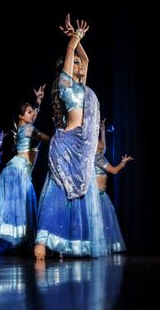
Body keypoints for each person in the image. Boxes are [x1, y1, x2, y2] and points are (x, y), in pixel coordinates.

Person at [34, 14, 107, 260]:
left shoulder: (83, 88)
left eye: (80, 64)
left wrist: (79, 40)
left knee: (79, 194)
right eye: (75, 63)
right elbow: (70, 50)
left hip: (81, 147)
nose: (81, 65)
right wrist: (73, 37)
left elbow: (86, 58)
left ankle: (71, 243)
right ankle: (42, 242)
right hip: (65, 145)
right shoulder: (65, 86)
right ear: (67, 69)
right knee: (58, 191)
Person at [0, 85, 50, 257]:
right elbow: (47, 140)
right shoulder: (29, 129)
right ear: (21, 116)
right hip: (20, 172)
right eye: (29, 112)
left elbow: (33, 119)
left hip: (11, 171)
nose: (33, 114)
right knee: (22, 208)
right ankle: (33, 246)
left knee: (5, 206)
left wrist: (38, 102)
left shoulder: (23, 129)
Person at [95, 118, 134, 253]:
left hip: (102, 195)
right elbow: (114, 170)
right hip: (97, 198)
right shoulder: (97, 158)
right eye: (98, 141)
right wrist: (122, 164)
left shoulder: (100, 156)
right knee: (99, 225)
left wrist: (102, 130)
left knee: (104, 225)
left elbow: (104, 145)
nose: (101, 143)